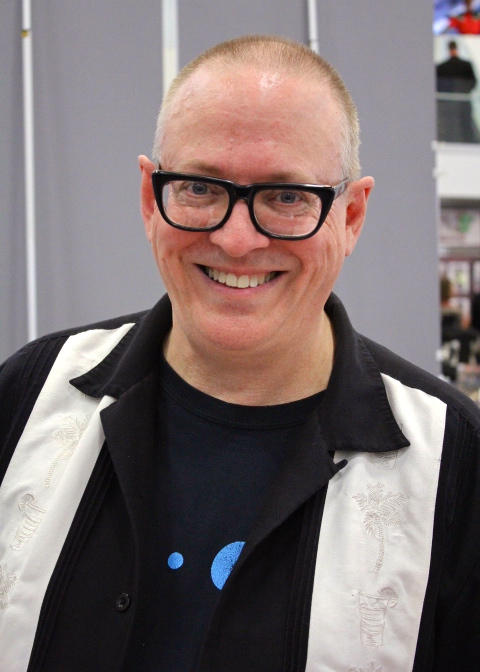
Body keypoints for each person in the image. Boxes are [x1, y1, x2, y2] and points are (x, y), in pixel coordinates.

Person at [0, 35, 479, 672]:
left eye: (287, 197)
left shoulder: (456, 464)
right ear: (150, 199)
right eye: (199, 188)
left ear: (351, 216)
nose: (235, 239)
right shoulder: (28, 396)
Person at [436, 39, 480, 143]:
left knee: (461, 125)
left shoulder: (443, 67)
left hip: (455, 104)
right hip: (454, 104)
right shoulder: (445, 67)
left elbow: (472, 82)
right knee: (459, 125)